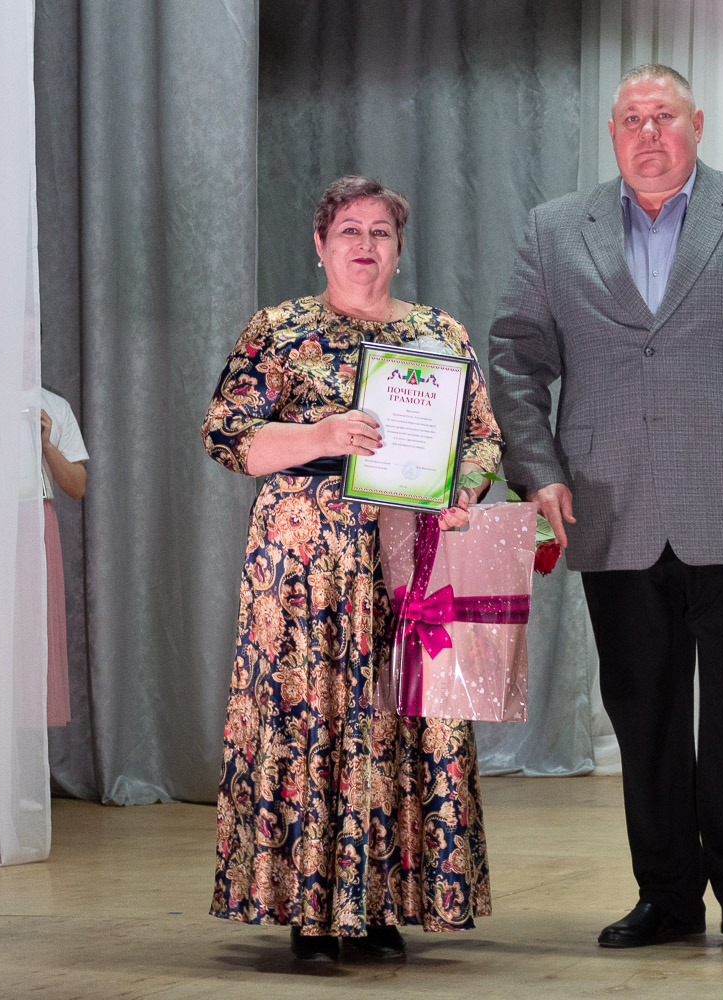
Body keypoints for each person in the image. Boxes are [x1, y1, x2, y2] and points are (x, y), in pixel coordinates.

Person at [488, 65, 723, 949]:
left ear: (697, 123)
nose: (647, 133)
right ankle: (665, 896)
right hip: (609, 508)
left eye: (663, 116)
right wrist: (537, 472)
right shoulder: (554, 229)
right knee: (643, 714)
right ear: (612, 132)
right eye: (631, 119)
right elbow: (513, 360)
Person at [201, 175, 503, 962]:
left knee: (400, 721)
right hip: (305, 560)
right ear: (320, 244)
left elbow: (482, 436)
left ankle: (383, 907)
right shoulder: (279, 330)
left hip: (408, 555)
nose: (364, 245)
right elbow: (227, 435)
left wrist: (461, 492)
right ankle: (310, 912)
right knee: (312, 713)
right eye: (348, 231)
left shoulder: (439, 332)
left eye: (380, 231)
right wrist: (321, 435)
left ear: (398, 247)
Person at [40, 388, 88, 728]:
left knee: (38, 634)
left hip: (37, 518)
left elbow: (77, 486)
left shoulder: (54, 407)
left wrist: (45, 444)